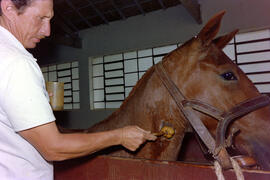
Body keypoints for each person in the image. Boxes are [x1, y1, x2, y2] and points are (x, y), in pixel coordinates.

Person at [0, 0, 157, 179]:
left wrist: (36, 102)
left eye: (49, 19)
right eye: (41, 18)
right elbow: (53, 148)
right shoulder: (17, 63)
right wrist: (120, 136)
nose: (47, 31)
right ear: (9, 8)